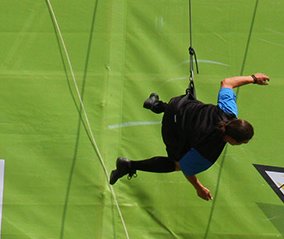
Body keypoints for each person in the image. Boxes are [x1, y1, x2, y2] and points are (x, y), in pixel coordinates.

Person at [109, 73, 270, 200]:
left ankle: (156, 105)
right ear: (233, 140)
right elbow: (186, 168)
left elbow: (227, 82)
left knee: (188, 110)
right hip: (172, 128)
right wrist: (199, 187)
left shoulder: (229, 112)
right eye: (243, 143)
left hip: (178, 104)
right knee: (176, 163)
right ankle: (129, 165)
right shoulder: (209, 150)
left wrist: (254, 78)